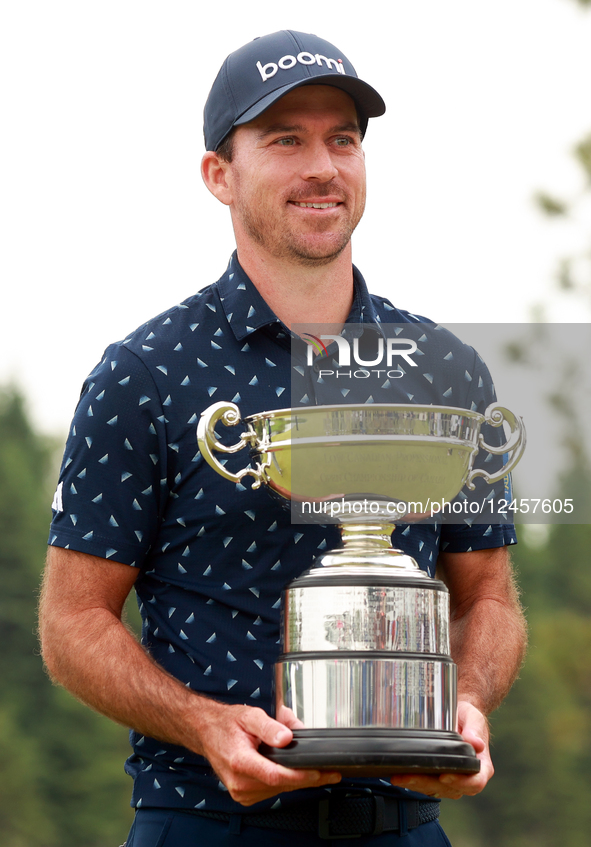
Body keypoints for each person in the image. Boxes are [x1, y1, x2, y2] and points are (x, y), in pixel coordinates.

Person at [40, 30, 527, 846]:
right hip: (207, 822)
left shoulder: (445, 370)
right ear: (218, 175)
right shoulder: (145, 372)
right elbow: (72, 620)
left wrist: (465, 704)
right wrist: (202, 723)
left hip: (404, 827)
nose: (322, 167)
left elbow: (487, 598)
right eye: (285, 139)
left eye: (342, 138)